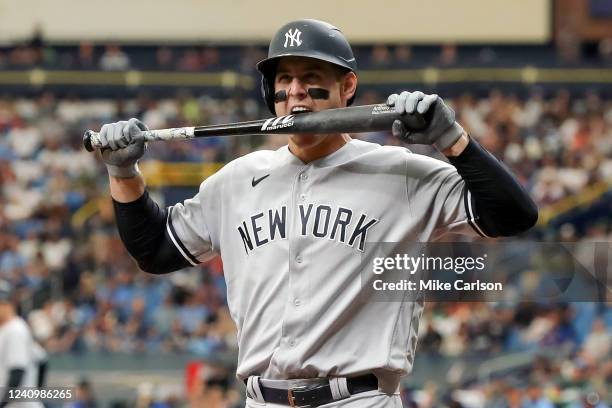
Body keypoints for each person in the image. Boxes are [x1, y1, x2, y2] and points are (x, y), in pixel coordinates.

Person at [95, 19, 537, 408]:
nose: (295, 91)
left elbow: (513, 215)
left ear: (348, 87)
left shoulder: (403, 173)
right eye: (284, 79)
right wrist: (122, 171)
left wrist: (451, 139)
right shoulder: (236, 180)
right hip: (262, 399)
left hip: (360, 399)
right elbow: (154, 250)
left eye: (311, 77)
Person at [0, 281, 46, 408]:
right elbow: (42, 359)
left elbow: (17, 373)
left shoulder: (15, 329)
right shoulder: (7, 329)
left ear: (7, 304)